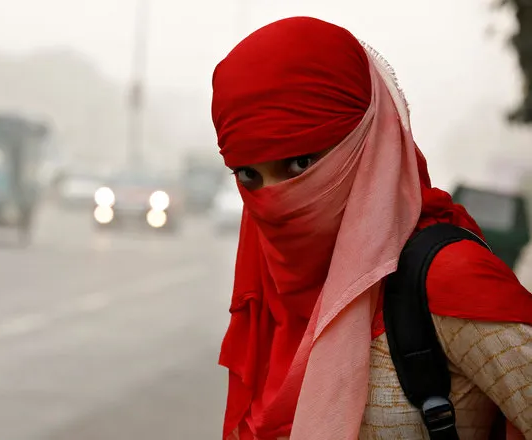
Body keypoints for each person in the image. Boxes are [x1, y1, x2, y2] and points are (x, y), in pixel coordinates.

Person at [210, 16, 532, 440]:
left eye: (301, 164)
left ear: (366, 140)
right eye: (249, 175)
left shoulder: (449, 279)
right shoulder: (274, 296)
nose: (274, 200)